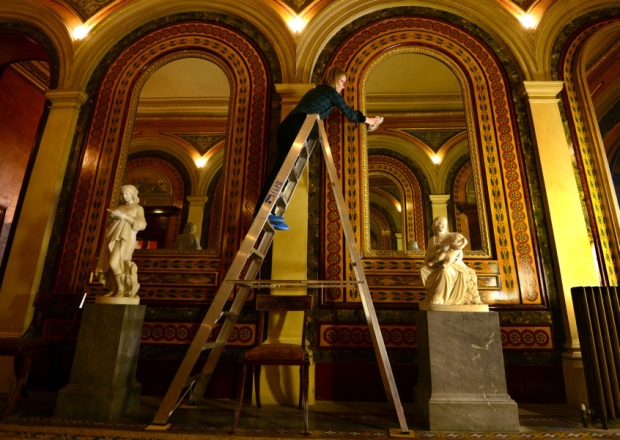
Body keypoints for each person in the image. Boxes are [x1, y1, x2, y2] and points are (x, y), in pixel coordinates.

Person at [256, 65, 383, 230]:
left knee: (281, 169)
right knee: (283, 171)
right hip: (298, 126)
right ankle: (266, 212)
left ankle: (267, 212)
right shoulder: (330, 92)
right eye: (342, 82)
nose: (343, 87)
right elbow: (350, 114)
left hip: (289, 126)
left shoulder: (315, 92)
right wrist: (370, 120)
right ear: (335, 80)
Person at [95, 184, 147, 297]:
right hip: (113, 236)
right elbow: (108, 224)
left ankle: (122, 289)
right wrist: (113, 217)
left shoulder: (138, 208)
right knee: (113, 262)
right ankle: (115, 289)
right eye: (123, 194)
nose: (124, 196)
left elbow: (142, 225)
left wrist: (125, 217)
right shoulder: (119, 207)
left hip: (126, 237)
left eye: (127, 193)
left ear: (132, 194)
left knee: (114, 262)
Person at [419, 216, 482, 306]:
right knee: (423, 270)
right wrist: (435, 255)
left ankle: (439, 297)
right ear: (435, 225)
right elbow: (428, 256)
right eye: (441, 223)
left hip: (453, 263)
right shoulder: (432, 240)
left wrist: (457, 259)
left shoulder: (454, 236)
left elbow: (459, 251)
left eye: (445, 224)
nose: (443, 226)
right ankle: (431, 294)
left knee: (445, 271)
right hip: (437, 264)